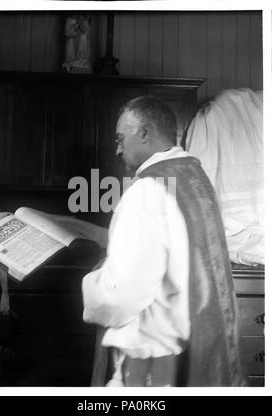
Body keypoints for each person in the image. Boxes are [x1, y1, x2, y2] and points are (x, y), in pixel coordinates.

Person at [81, 95, 247, 387]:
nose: (117, 149)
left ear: (144, 133)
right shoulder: (195, 178)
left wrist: (94, 281)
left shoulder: (146, 192)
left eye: (121, 138)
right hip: (200, 350)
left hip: (156, 368)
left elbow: (121, 296)